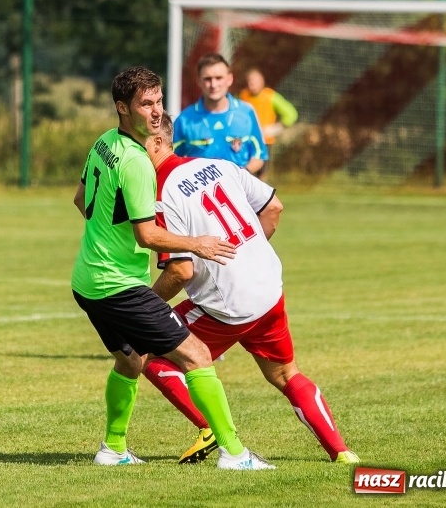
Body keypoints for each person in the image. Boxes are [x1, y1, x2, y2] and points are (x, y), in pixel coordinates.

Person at [71, 66, 274, 471]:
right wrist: (197, 243)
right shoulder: (137, 163)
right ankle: (235, 454)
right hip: (118, 285)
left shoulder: (104, 143)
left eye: (159, 102)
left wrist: (109, 238)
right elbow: (148, 236)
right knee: (197, 356)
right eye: (146, 104)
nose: (156, 111)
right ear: (122, 107)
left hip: (87, 279)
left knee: (131, 359)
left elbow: (81, 199)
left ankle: (112, 450)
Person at [142, 112, 360, 465]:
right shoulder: (219, 165)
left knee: (143, 349)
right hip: (269, 288)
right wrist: (249, 251)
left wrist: (146, 306)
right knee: (286, 373)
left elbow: (181, 271)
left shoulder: (160, 192)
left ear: (155, 142)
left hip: (226, 305)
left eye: (133, 145)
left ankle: (212, 430)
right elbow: (274, 207)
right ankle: (342, 452)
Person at [173, 53, 268, 177]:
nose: (213, 85)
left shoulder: (246, 113)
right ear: (199, 81)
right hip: (200, 194)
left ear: (229, 79)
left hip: (239, 191)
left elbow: (259, 155)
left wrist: (240, 177)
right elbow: (170, 158)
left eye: (219, 78)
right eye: (208, 79)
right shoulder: (185, 119)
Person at [237, 68, 298, 181]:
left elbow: (291, 114)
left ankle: (261, 196)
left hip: (264, 141)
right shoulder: (244, 96)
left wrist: (275, 128)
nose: (252, 84)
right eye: (250, 81)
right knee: (245, 173)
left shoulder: (270, 96)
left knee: (261, 175)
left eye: (255, 81)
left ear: (262, 81)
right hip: (247, 141)